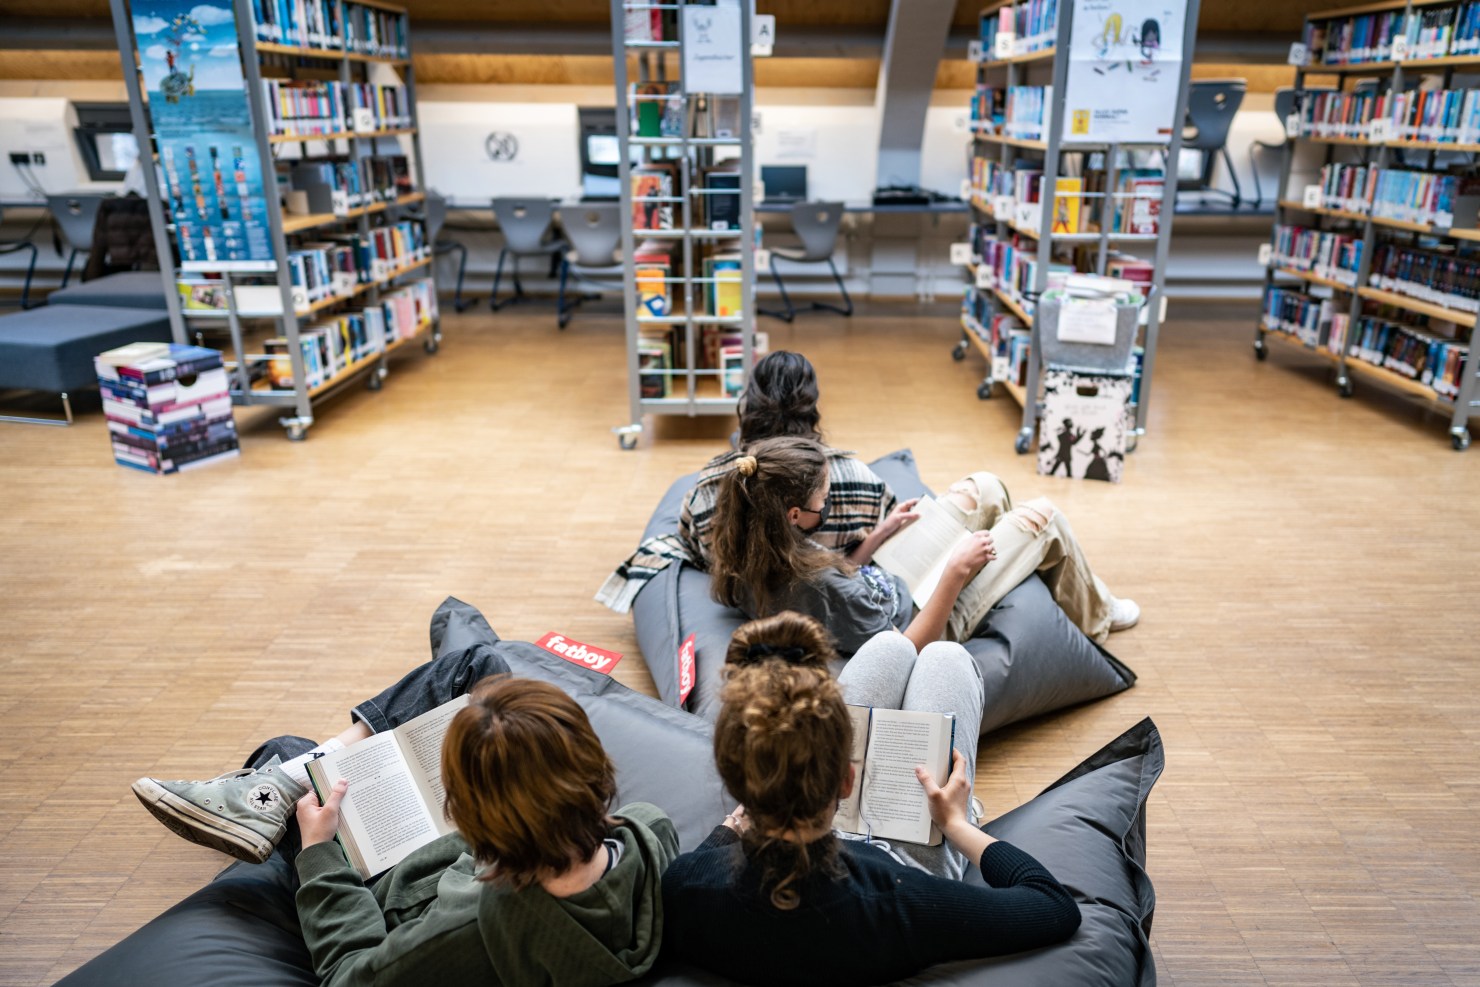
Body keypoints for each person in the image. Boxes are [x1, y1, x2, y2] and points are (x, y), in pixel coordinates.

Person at [131, 645, 679, 987]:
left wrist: (320, 852)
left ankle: (269, 792)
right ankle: (275, 787)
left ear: (469, 810)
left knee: (288, 748)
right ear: (594, 766)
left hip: (389, 884)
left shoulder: (469, 933)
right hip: (475, 853)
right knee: (478, 667)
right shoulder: (650, 828)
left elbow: (350, 975)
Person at [660, 652, 1082, 986]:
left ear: (736, 783)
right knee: (946, 658)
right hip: (901, 861)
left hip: (818, 849)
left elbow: (703, 869)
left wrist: (727, 832)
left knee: (892, 647)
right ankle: (966, 808)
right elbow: (1053, 904)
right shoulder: (904, 902)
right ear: (847, 781)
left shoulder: (686, 883)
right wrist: (956, 825)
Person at [708, 435, 1138, 656]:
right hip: (926, 619)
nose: (829, 500)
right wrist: (956, 570)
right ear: (794, 514)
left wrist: (880, 535)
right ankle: (1095, 617)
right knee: (1044, 517)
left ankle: (1026, 567)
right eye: (822, 497)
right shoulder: (818, 584)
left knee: (983, 487)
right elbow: (906, 650)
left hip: (888, 583)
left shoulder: (754, 544)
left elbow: (833, 579)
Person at [596, 350, 896, 614]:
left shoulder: (711, 487)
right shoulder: (862, 480)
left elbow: (696, 548)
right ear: (813, 406)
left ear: (750, 403)